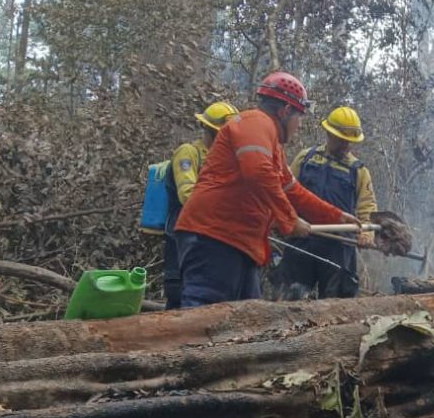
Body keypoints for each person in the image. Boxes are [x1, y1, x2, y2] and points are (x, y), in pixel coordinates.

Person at [174, 71, 359, 307]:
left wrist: (336, 216)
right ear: (285, 111)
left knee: (248, 320)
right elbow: (258, 173)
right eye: (299, 117)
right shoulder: (256, 122)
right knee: (203, 316)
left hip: (237, 242)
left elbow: (293, 190)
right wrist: (289, 220)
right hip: (214, 237)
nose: (299, 126)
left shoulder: (272, 145)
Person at [271, 105, 377, 299]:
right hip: (302, 239)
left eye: (349, 141)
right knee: (289, 299)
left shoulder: (359, 171)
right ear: (329, 133)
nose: (346, 145)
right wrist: (283, 220)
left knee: (337, 305)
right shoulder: (306, 158)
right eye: (341, 139)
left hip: (339, 247)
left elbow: (367, 208)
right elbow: (284, 192)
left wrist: (367, 233)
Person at [161, 101, 239, 308]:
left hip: (212, 239)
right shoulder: (188, 153)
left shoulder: (226, 161)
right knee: (180, 293)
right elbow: (187, 195)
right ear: (209, 131)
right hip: (184, 235)